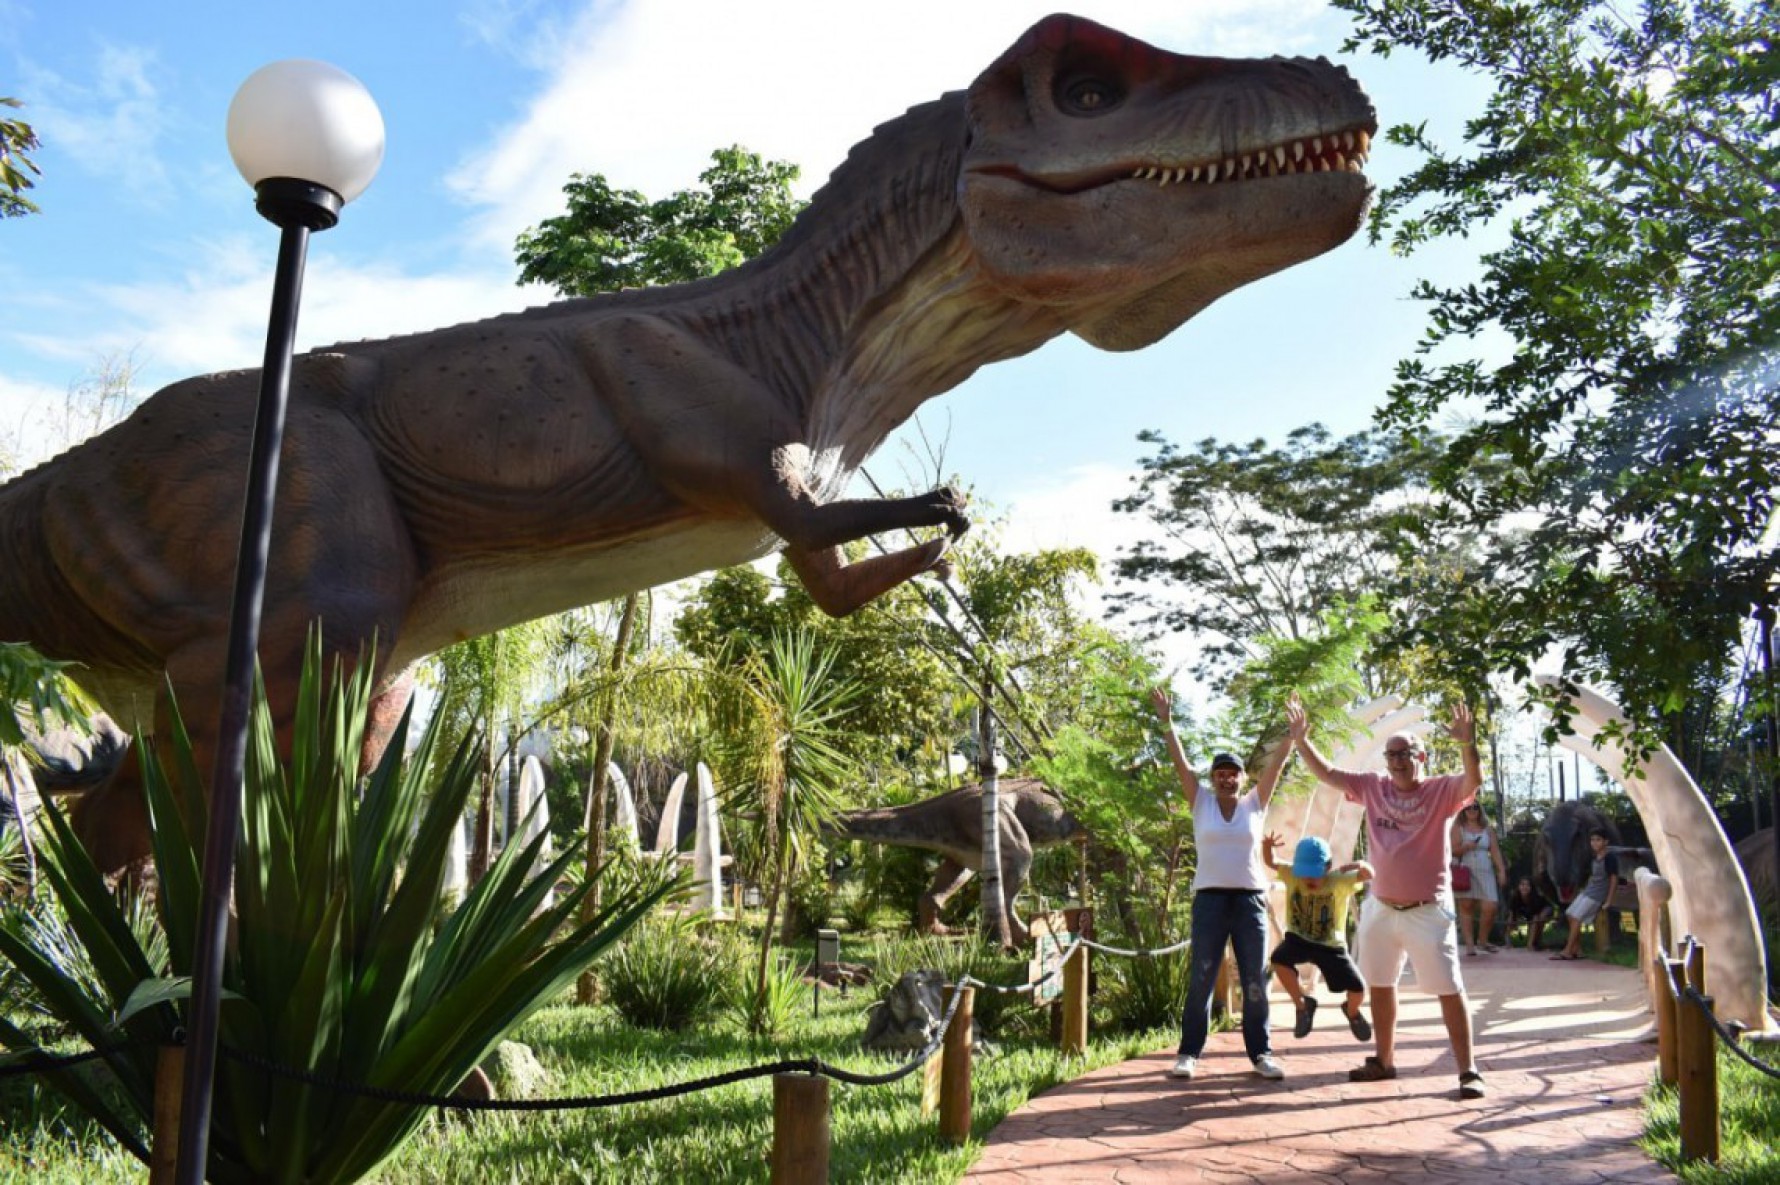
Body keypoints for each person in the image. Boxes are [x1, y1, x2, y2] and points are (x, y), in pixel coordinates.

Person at [1287, 695, 1488, 1100]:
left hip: (1428, 910)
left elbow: (1473, 782)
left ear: (1422, 756)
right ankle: (1384, 1060)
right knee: (1380, 984)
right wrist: (1300, 741)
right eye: (1390, 754)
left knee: (1449, 988)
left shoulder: (1441, 791)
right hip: (1380, 907)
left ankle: (1468, 1071)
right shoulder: (1372, 787)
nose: (1396, 760)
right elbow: (1327, 773)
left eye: (1404, 753)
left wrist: (1467, 743)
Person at [1151, 687, 1291, 1082]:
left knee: (1253, 979)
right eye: (1220, 774)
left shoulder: (1254, 804)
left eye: (1233, 773)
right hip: (1210, 900)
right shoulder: (1201, 802)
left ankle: (1261, 1052)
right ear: (1213, 779)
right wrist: (1166, 722)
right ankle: (1188, 1053)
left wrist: (1292, 737)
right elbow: (1178, 760)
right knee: (1203, 975)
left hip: (1249, 901)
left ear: (1243, 778)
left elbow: (1277, 766)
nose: (1227, 779)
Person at [1261, 832, 1374, 1042]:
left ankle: (1352, 1012)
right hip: (1299, 938)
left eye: (1314, 873)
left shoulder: (1339, 880)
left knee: (1359, 989)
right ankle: (1303, 1006)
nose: (1308, 879)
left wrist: (1358, 864)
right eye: (1304, 873)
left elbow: (1370, 874)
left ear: (1328, 867)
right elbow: (1271, 861)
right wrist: (1267, 846)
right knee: (1278, 959)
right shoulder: (1292, 875)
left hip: (1331, 946)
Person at [1552, 829, 1621, 960]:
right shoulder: (1594, 857)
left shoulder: (1610, 858)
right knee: (1569, 914)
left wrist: (1609, 900)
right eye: (1592, 840)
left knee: (1577, 918)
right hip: (1588, 891)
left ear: (1605, 842)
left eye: (1598, 840)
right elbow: (1593, 876)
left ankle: (1567, 950)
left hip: (1597, 895)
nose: (1594, 843)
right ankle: (1578, 949)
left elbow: (1613, 879)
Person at [1451, 803, 1508, 955]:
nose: (1471, 810)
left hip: (1485, 869)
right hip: (1465, 868)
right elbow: (1452, 850)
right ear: (1463, 811)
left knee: (1491, 906)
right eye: (1468, 808)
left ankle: (1483, 940)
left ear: (1480, 810)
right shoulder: (1458, 827)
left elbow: (1495, 851)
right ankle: (1470, 945)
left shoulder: (1488, 830)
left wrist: (1501, 870)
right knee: (1466, 905)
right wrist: (1466, 847)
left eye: (1475, 807)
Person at [1505, 876, 1554, 951]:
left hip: (1545, 908)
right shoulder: (1515, 898)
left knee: (1539, 919)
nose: (1525, 887)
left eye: (1527, 885)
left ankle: (1534, 943)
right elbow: (1511, 917)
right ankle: (1535, 943)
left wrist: (1529, 944)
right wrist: (1508, 940)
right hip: (1531, 913)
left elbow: (1534, 919)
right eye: (1522, 884)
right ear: (1518, 886)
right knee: (1511, 918)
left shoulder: (1535, 899)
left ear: (1531, 887)